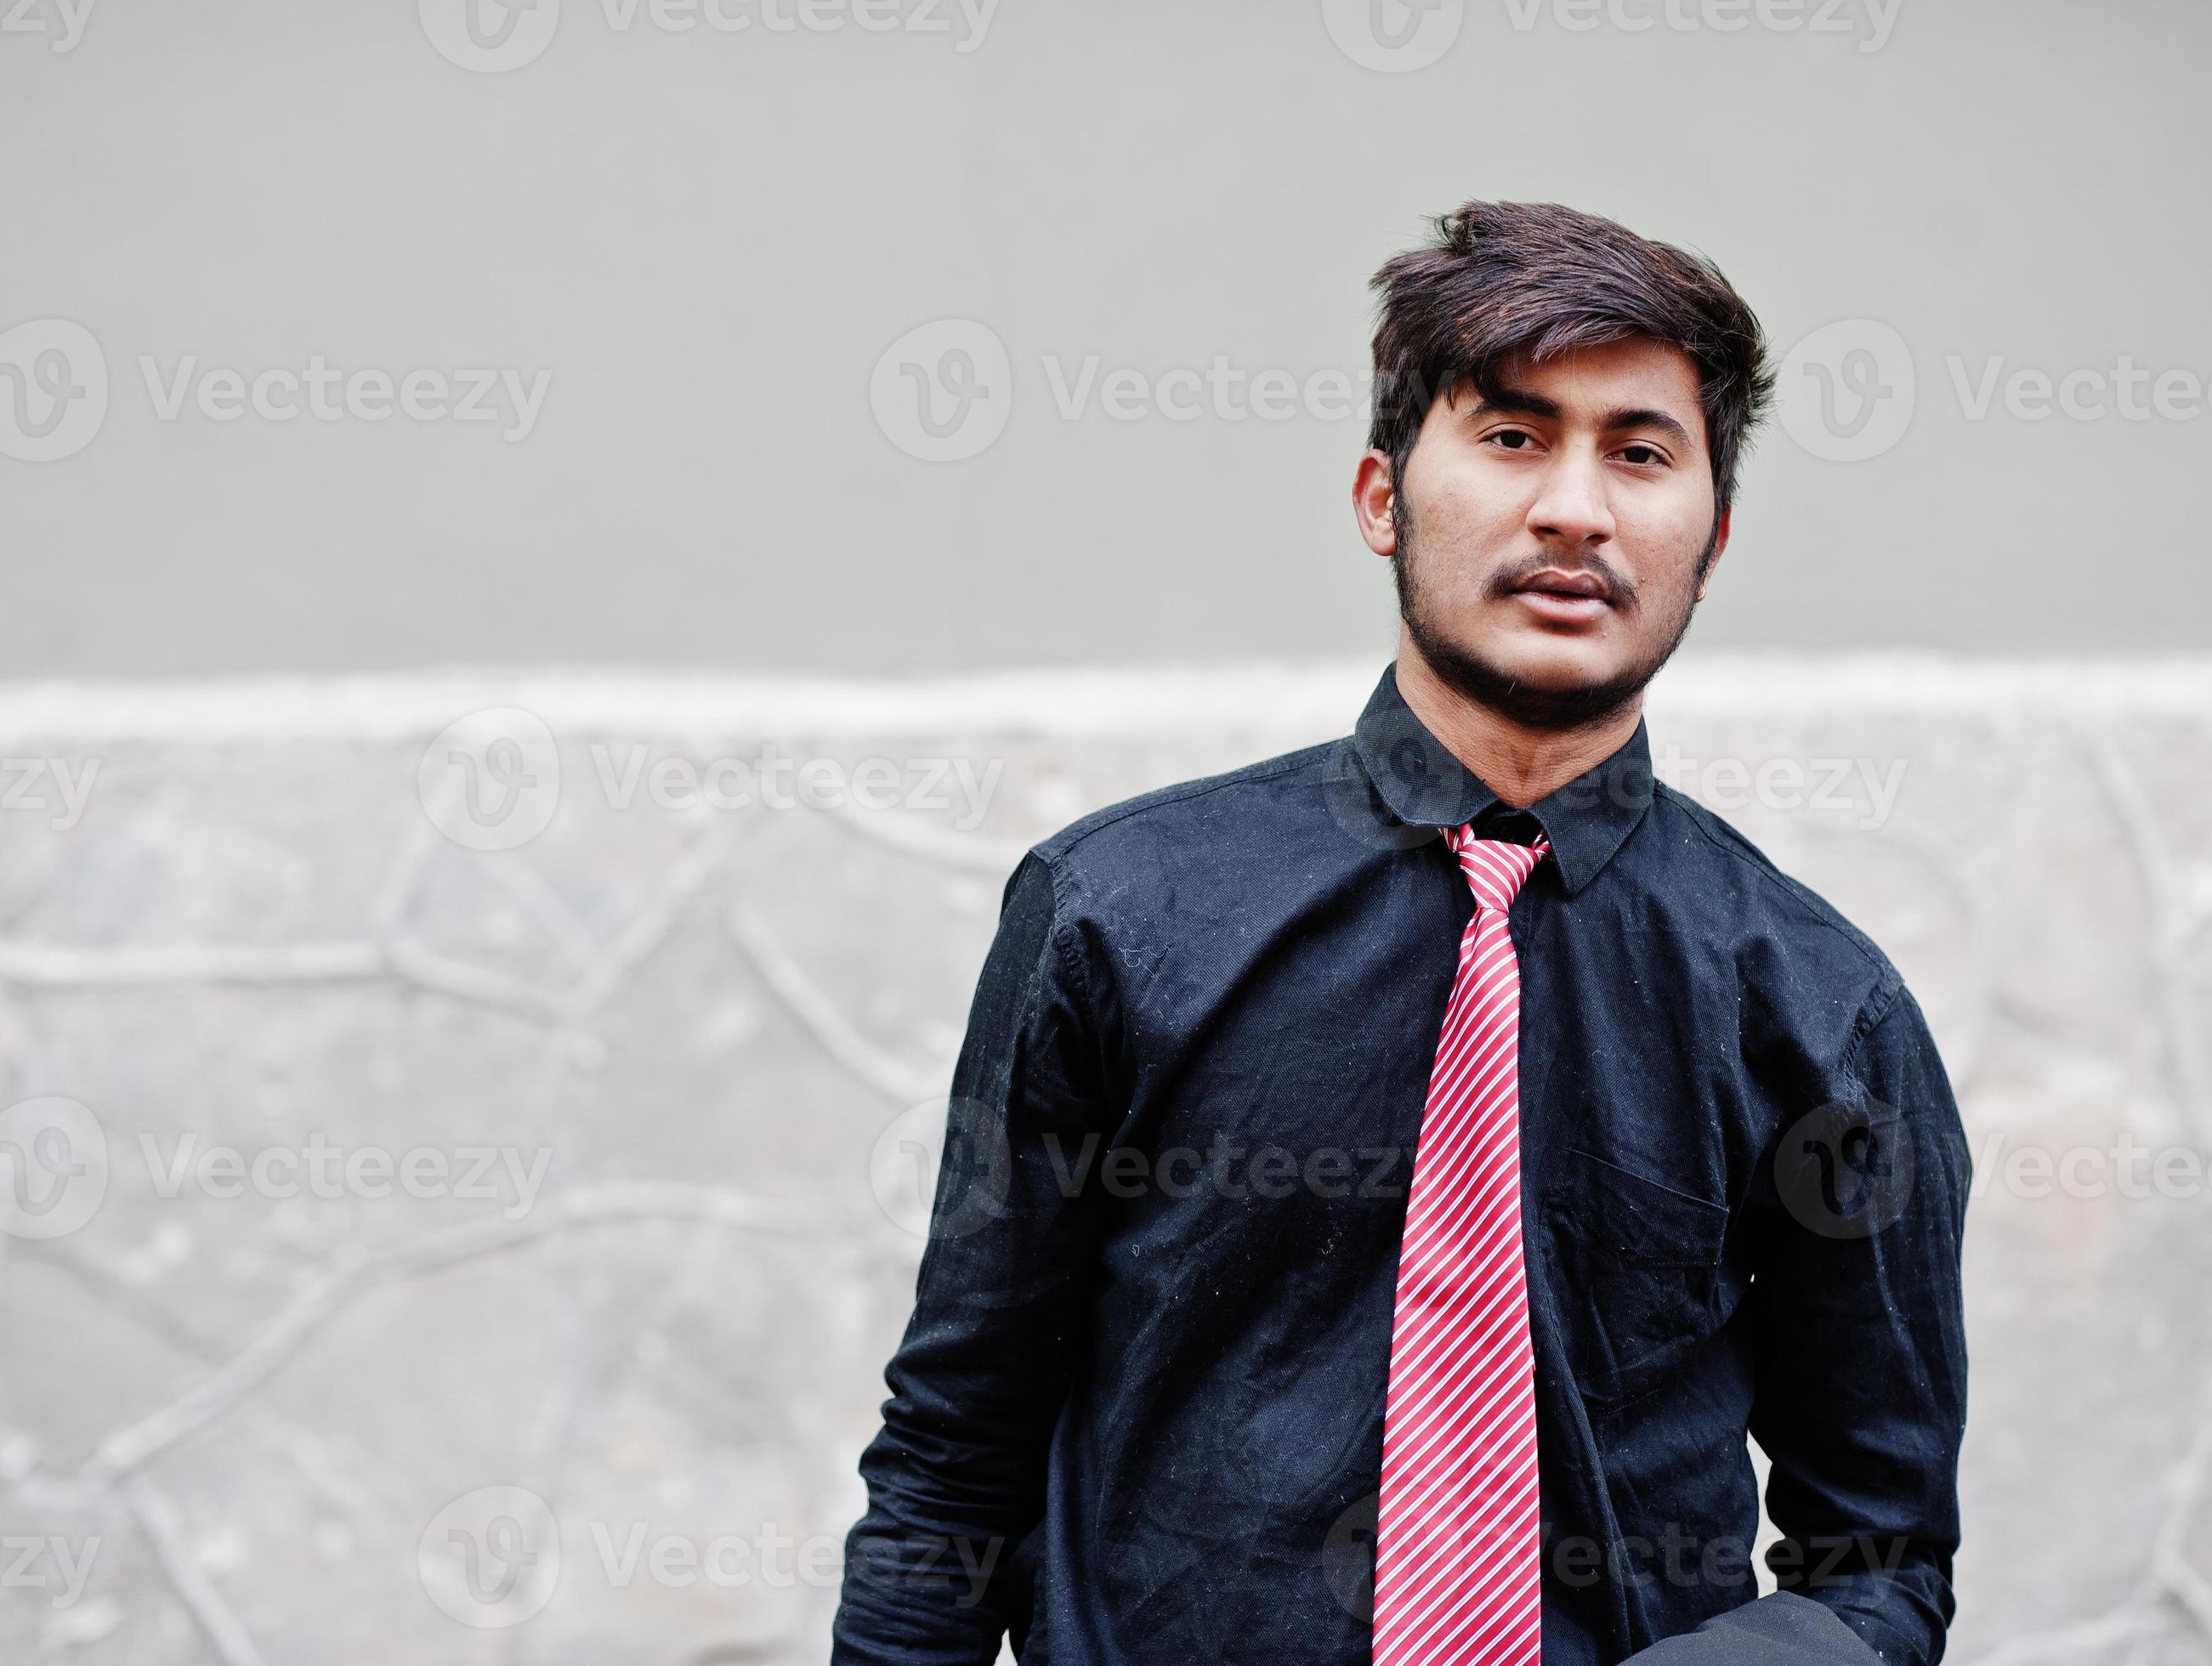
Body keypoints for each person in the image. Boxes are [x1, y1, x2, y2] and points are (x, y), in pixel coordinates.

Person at [832, 200, 1970, 1666]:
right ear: (1381, 498)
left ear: (1714, 531)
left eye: (1638, 451)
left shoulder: (1819, 1008)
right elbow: (950, 1458)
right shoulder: (1118, 915)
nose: (1575, 508)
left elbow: (1880, 1562)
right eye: (1510, 437)